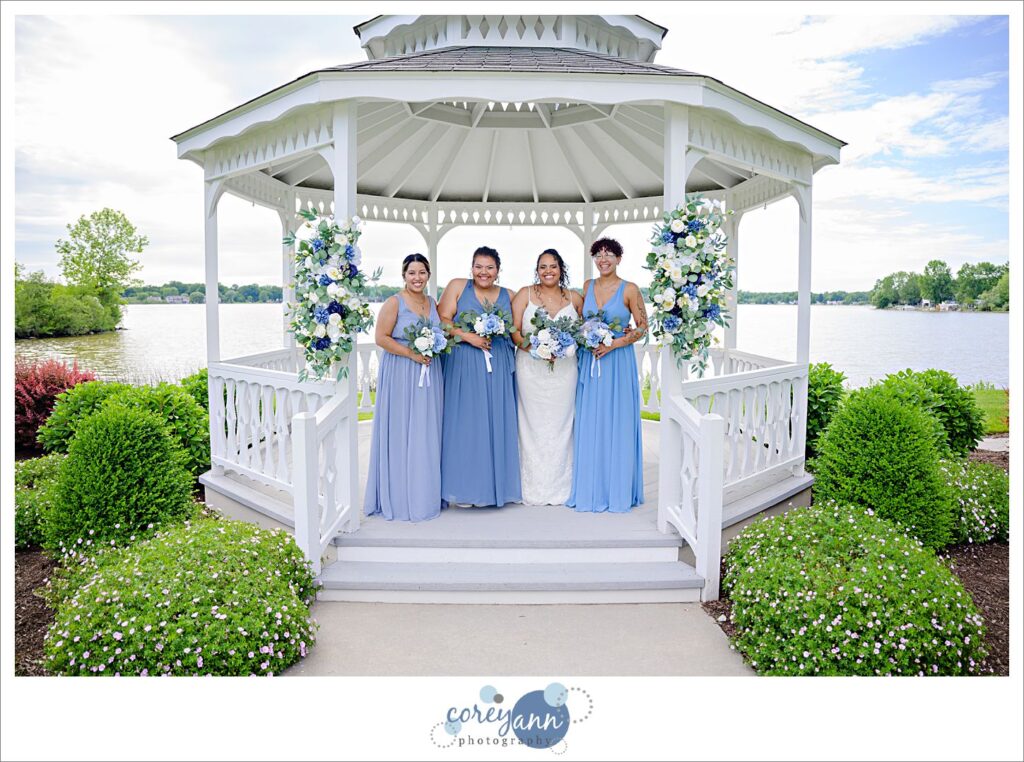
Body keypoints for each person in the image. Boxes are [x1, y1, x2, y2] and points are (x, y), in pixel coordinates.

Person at [437, 246, 522, 508]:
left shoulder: (510, 295)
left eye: (489, 267)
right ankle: (463, 488)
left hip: (498, 365)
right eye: (478, 266)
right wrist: (468, 336)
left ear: (498, 270)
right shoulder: (457, 287)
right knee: (465, 425)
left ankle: (494, 488)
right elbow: (441, 319)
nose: (483, 272)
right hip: (464, 363)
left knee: (495, 424)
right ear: (471, 267)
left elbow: (521, 327)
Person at [568, 238, 647, 513]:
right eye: (599, 255)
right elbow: (579, 321)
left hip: (617, 362)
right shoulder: (588, 286)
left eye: (609, 254)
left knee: (618, 423)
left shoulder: (630, 289)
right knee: (591, 422)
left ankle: (618, 490)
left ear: (619, 259)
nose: (604, 259)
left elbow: (642, 327)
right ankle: (591, 488)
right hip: (590, 362)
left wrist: (614, 343)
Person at [363, 254, 444, 522]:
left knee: (425, 431)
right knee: (401, 430)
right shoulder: (394, 303)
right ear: (404, 275)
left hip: (429, 373)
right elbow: (381, 338)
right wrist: (411, 353)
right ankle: (400, 496)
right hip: (401, 372)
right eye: (412, 273)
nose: (417, 278)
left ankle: (425, 491)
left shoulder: (432, 303)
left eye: (422, 273)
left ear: (428, 275)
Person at [511, 249, 583, 505]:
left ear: (561, 269)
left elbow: (584, 329)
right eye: (543, 266)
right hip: (531, 372)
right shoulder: (524, 294)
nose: (548, 271)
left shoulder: (574, 297)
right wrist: (538, 349)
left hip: (565, 372)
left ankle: (563, 485)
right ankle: (531, 485)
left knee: (562, 424)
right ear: (537, 269)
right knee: (532, 424)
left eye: (553, 266)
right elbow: (514, 333)